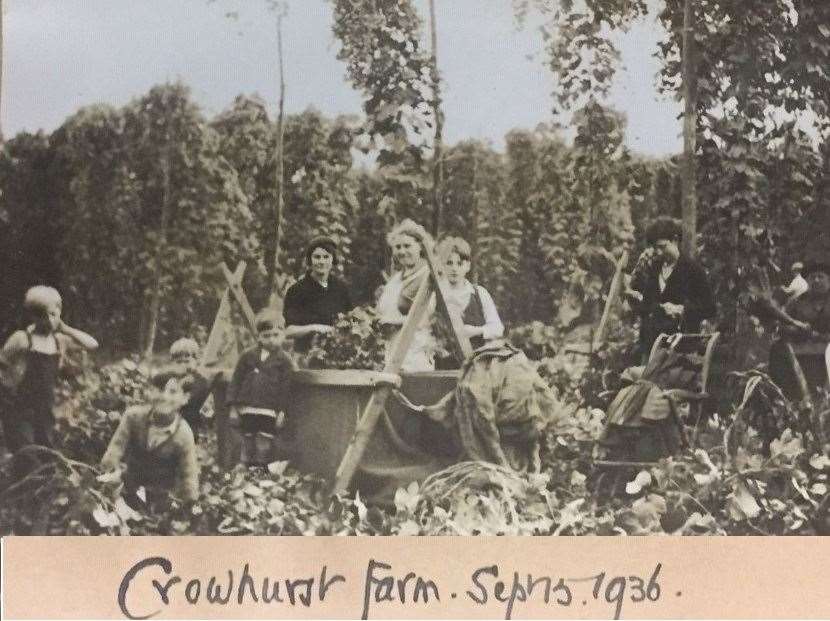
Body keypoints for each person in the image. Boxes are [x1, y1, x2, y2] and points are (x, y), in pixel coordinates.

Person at [0, 286, 98, 469]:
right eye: (44, 316)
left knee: (47, 457)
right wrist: (7, 389)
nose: (50, 320)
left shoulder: (59, 340)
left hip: (45, 410)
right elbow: (2, 364)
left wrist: (66, 328)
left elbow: (92, 344)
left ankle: (39, 494)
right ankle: (20, 493)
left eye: (54, 314)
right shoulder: (22, 339)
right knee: (27, 456)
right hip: (20, 410)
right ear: (33, 317)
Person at [101, 371, 199, 504]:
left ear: (185, 398)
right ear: (149, 392)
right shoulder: (134, 417)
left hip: (161, 494)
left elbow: (189, 475)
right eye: (159, 390)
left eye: (173, 392)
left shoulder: (183, 434)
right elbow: (115, 449)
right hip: (128, 485)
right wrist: (108, 474)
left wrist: (188, 505)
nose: (164, 397)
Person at [627, 217, 716, 358]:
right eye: (656, 248)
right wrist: (649, 305)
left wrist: (682, 310)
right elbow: (646, 306)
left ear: (675, 240)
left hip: (681, 347)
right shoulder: (654, 268)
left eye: (662, 247)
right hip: (652, 345)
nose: (659, 252)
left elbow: (710, 308)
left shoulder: (692, 269)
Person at [226, 309, 296, 466]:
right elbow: (236, 380)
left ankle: (260, 468)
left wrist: (282, 412)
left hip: (268, 408)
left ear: (283, 335)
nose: (271, 340)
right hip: (247, 406)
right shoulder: (247, 355)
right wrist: (233, 406)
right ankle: (244, 466)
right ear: (258, 336)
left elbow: (286, 388)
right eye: (266, 336)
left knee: (264, 439)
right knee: (247, 438)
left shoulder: (284, 360)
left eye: (275, 335)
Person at [376, 219, 437, 372]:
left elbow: (427, 318)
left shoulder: (429, 276)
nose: (402, 251)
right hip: (391, 351)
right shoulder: (395, 280)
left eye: (407, 246)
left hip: (416, 353)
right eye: (398, 247)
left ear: (420, 247)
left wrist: (391, 322)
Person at [434, 236, 504, 368]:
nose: (454, 268)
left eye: (459, 263)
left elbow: (498, 328)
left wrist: (475, 331)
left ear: (468, 266)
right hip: (443, 366)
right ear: (441, 266)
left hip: (476, 365)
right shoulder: (436, 295)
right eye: (449, 263)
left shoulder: (479, 294)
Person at [769, 262, 830, 399]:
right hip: (801, 348)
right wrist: (799, 330)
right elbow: (782, 325)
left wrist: (822, 336)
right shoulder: (797, 302)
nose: (816, 280)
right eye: (812, 277)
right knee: (777, 350)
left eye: (821, 277)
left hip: (828, 347)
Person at [284, 236, 354, 353]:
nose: (321, 261)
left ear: (333, 259)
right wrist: (314, 328)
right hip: (306, 355)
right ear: (310, 260)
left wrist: (356, 325)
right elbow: (288, 331)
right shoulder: (296, 290)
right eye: (317, 257)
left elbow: (352, 316)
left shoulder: (341, 288)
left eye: (326, 257)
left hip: (337, 354)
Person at [167, 337, 213, 442]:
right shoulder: (171, 379)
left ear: (196, 361)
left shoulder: (201, 381)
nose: (183, 365)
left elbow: (199, 405)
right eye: (178, 362)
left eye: (187, 361)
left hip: (194, 426)